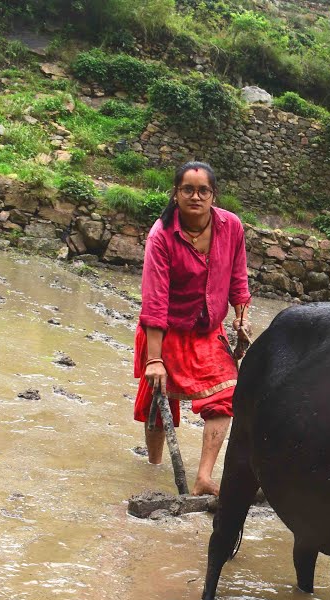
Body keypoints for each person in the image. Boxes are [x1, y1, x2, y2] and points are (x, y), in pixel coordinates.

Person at [134, 161, 251, 497]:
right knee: (158, 402)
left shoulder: (231, 227)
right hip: (166, 330)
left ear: (213, 195)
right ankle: (153, 468)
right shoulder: (161, 235)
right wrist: (154, 359)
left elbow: (238, 278)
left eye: (203, 190)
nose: (195, 196)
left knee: (227, 397)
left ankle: (203, 477)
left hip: (206, 330)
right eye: (188, 189)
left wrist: (241, 317)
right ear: (176, 193)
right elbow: (154, 299)